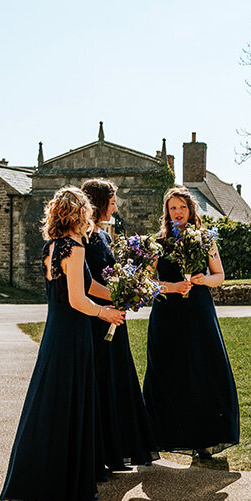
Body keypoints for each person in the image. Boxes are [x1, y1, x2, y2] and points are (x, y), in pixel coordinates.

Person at [0, 187, 126, 501]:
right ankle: (68, 483)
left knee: (51, 405)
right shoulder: (76, 247)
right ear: (79, 214)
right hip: (73, 332)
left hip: (54, 332)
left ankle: (41, 478)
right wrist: (105, 311)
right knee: (71, 403)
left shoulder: (50, 247)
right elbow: (77, 299)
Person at [143, 187, 240, 460]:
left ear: (190, 209)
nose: (177, 213)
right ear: (167, 211)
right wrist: (172, 287)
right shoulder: (157, 243)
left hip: (198, 311)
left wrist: (203, 280)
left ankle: (204, 439)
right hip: (167, 312)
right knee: (165, 369)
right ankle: (159, 436)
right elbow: (148, 282)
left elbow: (219, 275)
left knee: (202, 368)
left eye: (182, 207)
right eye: (172, 208)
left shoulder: (206, 239)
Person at [80, 178, 159, 471]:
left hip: (114, 313)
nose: (116, 207)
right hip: (98, 317)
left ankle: (115, 450)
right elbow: (89, 283)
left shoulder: (102, 235)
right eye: (112, 202)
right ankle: (102, 453)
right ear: (99, 204)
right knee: (103, 379)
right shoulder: (86, 237)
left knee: (116, 378)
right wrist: (118, 295)